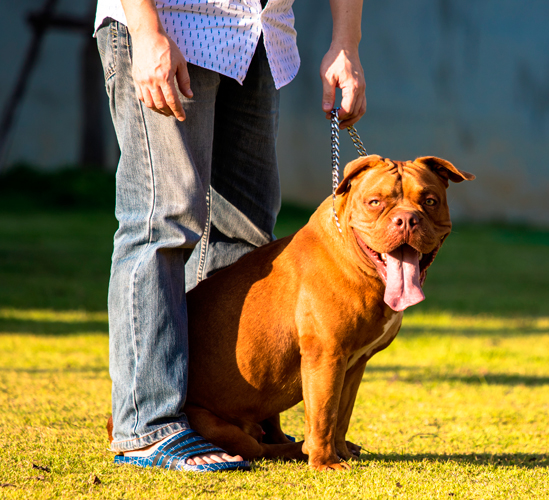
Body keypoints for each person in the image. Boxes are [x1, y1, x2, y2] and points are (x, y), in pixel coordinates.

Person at [94, 0, 366, 471]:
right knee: (161, 220)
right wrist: (145, 30)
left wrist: (347, 40)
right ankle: (147, 425)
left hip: (260, 37)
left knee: (247, 233)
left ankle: (232, 417)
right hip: (172, 25)